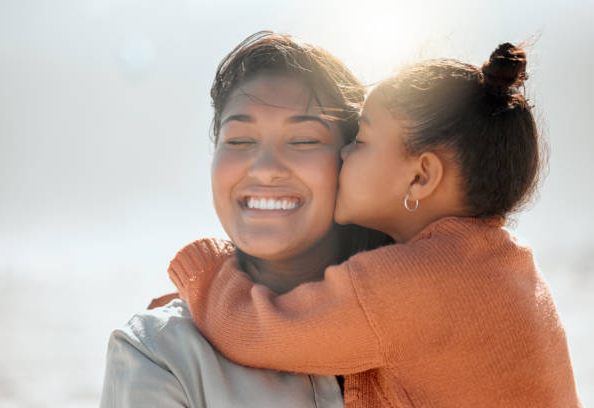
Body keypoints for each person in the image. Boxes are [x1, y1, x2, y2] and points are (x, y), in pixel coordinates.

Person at [169, 43, 582, 406]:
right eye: (240, 141)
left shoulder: (411, 285)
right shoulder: (506, 264)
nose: (344, 153)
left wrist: (203, 273)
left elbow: (255, 330)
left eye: (362, 141)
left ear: (420, 176)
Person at [100, 31, 391, 407]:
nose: (266, 169)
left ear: (351, 161)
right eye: (239, 141)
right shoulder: (161, 353)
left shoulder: (429, 314)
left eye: (302, 140)